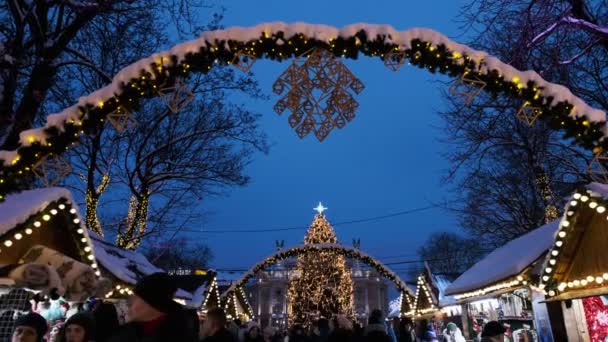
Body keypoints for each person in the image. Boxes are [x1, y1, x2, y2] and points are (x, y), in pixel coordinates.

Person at [109, 272, 197, 342]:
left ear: (153, 305)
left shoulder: (176, 335)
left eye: (137, 298)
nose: (129, 302)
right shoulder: (126, 328)